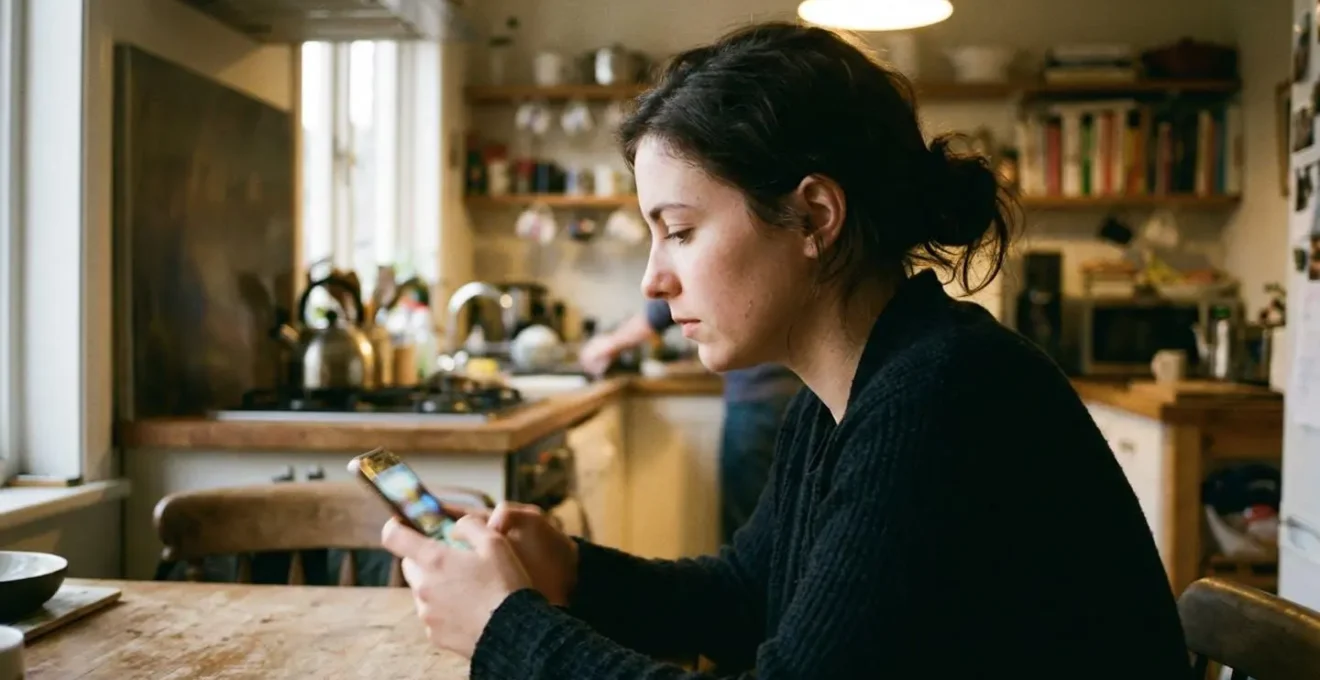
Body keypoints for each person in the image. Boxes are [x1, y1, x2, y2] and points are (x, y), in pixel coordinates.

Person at [379, 21, 1191, 678]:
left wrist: (504, 627)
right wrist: (574, 572)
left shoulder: (946, 398)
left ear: (812, 217)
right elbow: (745, 595)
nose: (655, 281)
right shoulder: (848, 392)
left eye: (682, 231)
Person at [578, 298, 801, 545]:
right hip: (802, 396)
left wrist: (610, 343)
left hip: (759, 401)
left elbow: (671, 300)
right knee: (792, 530)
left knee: (750, 539)